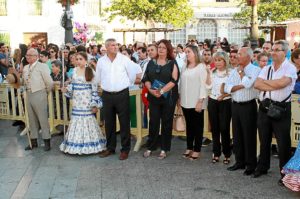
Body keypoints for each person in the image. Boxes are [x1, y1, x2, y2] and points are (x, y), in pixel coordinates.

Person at [253, 40, 297, 186]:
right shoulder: (267, 68)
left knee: (283, 143)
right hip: (265, 107)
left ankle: (284, 174)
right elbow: (257, 84)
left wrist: (269, 84)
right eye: (272, 49)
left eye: (276, 49)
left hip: (281, 108)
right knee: (264, 139)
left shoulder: (290, 68)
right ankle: (262, 167)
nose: (273, 52)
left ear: (284, 52)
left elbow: (283, 84)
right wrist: (276, 84)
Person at [96, 38, 137, 160]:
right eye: (112, 45)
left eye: (116, 45)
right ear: (107, 47)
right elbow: (98, 77)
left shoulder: (124, 59)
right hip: (107, 95)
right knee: (109, 123)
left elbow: (132, 75)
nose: (115, 47)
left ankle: (125, 149)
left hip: (122, 94)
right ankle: (110, 148)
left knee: (124, 122)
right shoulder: (101, 61)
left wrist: (124, 85)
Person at [60, 52, 106, 154]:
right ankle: (75, 143)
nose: (78, 61)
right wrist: (66, 89)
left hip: (87, 100)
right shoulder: (74, 71)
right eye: (77, 59)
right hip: (77, 100)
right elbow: (73, 85)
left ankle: (90, 144)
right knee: (76, 118)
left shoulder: (90, 71)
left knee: (88, 118)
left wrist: (94, 104)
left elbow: (94, 89)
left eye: (81, 59)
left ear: (85, 60)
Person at [225, 47, 261, 176]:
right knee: (237, 135)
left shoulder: (256, 70)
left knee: (249, 135)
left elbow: (248, 83)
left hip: (248, 106)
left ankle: (251, 164)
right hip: (235, 105)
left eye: (240, 54)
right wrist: (239, 85)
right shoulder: (235, 70)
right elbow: (227, 87)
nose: (236, 56)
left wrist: (242, 78)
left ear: (248, 56)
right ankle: (239, 161)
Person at [142, 39, 180, 159]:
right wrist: (151, 90)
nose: (161, 49)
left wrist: (162, 91)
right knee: (153, 122)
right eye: (159, 47)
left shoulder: (172, 63)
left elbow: (174, 80)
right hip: (154, 97)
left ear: (168, 49)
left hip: (168, 98)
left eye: (164, 47)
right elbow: (146, 78)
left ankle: (164, 148)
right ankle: (151, 146)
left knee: (166, 122)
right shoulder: (151, 63)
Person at [22, 48, 53, 151]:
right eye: (27, 55)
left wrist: (45, 92)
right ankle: (33, 141)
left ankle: (47, 141)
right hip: (29, 94)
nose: (27, 57)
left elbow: (49, 82)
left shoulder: (42, 66)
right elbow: (24, 81)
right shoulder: (26, 67)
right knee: (31, 119)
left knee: (43, 119)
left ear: (36, 56)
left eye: (30, 55)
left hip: (40, 93)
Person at [180, 45, 207, 160]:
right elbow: (181, 84)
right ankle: (189, 147)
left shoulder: (201, 67)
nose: (187, 54)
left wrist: (200, 101)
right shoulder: (184, 66)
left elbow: (203, 85)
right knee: (189, 126)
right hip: (185, 101)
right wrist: (179, 98)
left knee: (197, 126)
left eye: (189, 52)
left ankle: (197, 149)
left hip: (197, 101)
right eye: (185, 52)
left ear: (195, 53)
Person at [206, 51, 232, 164]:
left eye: (220, 60)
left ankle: (227, 153)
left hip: (225, 102)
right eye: (216, 60)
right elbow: (208, 86)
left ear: (225, 61)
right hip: (212, 101)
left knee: (224, 128)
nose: (217, 62)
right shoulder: (212, 72)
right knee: (215, 129)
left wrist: (224, 95)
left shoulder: (231, 73)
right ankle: (216, 153)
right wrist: (208, 73)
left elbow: (233, 89)